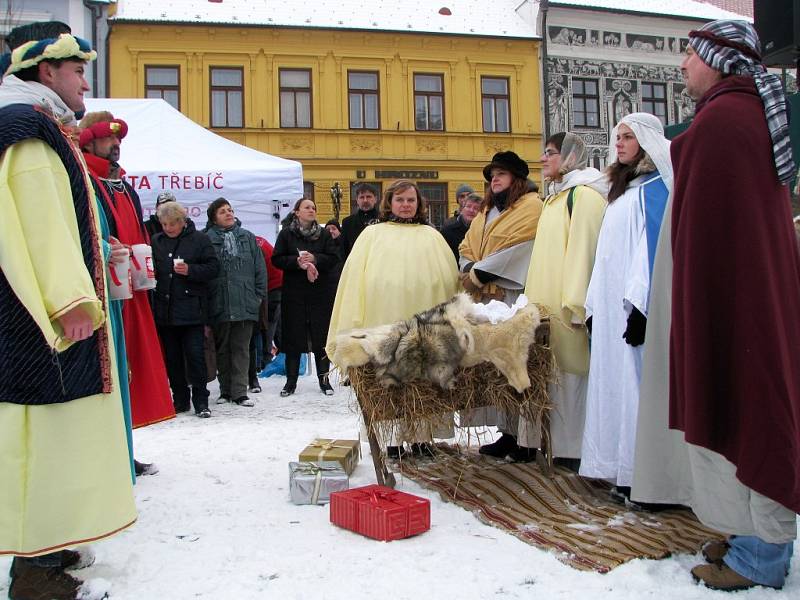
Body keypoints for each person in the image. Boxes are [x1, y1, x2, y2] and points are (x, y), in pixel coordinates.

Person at [631, 20, 800, 592]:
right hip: (745, 298)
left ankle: (762, 553)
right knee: (746, 404)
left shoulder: (726, 121)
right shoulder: (740, 114)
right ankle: (746, 532)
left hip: (736, 303)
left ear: (720, 60)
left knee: (748, 406)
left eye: (689, 55)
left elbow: (713, 236)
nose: (682, 65)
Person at [0, 21, 136, 599]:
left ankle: (51, 550)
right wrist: (71, 299)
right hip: (43, 324)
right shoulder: (28, 131)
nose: (86, 82)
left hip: (45, 319)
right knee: (44, 437)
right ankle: (32, 571)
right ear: (45, 72)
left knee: (58, 434)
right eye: (78, 70)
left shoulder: (42, 126)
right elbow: (37, 225)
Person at [327, 179, 459, 457]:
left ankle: (424, 439)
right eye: (400, 200)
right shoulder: (372, 235)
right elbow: (354, 280)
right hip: (385, 317)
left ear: (419, 203)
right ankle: (394, 440)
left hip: (424, 321)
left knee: (426, 379)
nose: (406, 205)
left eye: (411, 200)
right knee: (390, 380)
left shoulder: (432, 236)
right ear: (389, 203)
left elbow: (448, 279)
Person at [579, 114, 671, 492]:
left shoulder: (655, 190)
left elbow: (649, 252)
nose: (618, 144)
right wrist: (592, 306)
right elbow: (605, 254)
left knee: (635, 387)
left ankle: (644, 476)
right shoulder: (620, 190)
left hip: (634, 309)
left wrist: (641, 307)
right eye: (617, 137)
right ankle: (617, 466)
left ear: (647, 142)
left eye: (628, 137)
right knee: (612, 385)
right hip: (610, 305)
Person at [79, 110, 175, 449]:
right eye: (109, 137)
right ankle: (108, 449)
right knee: (111, 371)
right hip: (103, 291)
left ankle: (125, 447)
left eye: (118, 138)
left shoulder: (124, 185)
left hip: (132, 290)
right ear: (90, 140)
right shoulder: (84, 180)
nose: (116, 143)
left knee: (132, 368)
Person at [516, 134, 607, 468]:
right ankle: (550, 443)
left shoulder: (583, 196)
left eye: (550, 153)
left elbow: (584, 251)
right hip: (546, 307)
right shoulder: (555, 198)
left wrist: (578, 305)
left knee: (571, 376)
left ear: (569, 157)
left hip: (568, 311)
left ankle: (573, 449)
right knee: (549, 373)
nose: (542, 159)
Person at [459, 151, 543, 461]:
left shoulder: (531, 207)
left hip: (512, 297)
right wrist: (469, 268)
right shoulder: (485, 212)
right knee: (496, 368)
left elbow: (521, 249)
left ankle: (527, 439)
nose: (494, 179)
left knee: (520, 364)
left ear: (517, 180)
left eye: (502, 174)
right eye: (492, 175)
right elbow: (466, 244)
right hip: (487, 302)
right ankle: (507, 433)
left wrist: (477, 274)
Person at [151, 200, 219, 418]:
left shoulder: (200, 239)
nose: (168, 228)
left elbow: (213, 268)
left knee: (195, 357)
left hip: (192, 310)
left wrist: (191, 270)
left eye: (172, 224)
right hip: (166, 311)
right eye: (164, 224)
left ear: (182, 221)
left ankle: (201, 401)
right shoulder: (157, 241)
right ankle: (180, 400)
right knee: (172, 359)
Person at [272, 198, 340, 396]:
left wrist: (316, 259)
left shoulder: (324, 234)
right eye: (307, 207)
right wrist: (296, 262)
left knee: (321, 339)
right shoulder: (286, 234)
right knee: (293, 338)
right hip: (294, 293)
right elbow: (277, 259)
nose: (311, 210)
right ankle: (290, 382)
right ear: (297, 212)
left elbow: (334, 258)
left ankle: (324, 381)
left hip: (320, 293)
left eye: (313, 207)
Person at [205, 198, 267, 407]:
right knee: (223, 348)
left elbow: (260, 269)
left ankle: (240, 392)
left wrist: (257, 296)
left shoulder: (247, 238)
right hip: (220, 300)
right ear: (214, 217)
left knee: (241, 348)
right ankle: (225, 390)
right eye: (223, 211)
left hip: (245, 300)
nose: (228, 214)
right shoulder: (207, 239)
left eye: (230, 210)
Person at [248, 234, 282, 391]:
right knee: (267, 325)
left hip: (272, 288)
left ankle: (264, 360)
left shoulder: (251, 245)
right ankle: (265, 359)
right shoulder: (258, 240)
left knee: (265, 326)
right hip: (275, 286)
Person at [339, 182, 379, 261]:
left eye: (369, 197)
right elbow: (343, 251)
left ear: (375, 199)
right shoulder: (348, 222)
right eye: (361, 197)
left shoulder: (384, 220)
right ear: (357, 200)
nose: (365, 200)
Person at [439, 192, 481, 263]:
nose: (471, 210)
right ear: (462, 209)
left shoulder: (484, 232)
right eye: (468, 206)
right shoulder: (448, 231)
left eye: (476, 208)